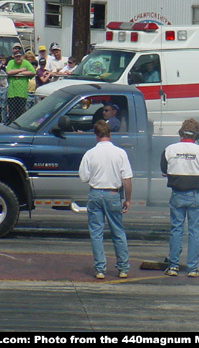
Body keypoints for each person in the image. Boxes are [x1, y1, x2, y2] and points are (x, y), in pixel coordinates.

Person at [78, 119, 133, 279]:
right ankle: (123, 268)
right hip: (113, 194)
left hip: (95, 193)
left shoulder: (90, 153)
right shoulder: (120, 153)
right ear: (110, 134)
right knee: (118, 231)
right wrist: (127, 199)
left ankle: (100, 269)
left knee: (96, 232)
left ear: (96, 135)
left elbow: (84, 177)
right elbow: (127, 180)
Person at [160, 118, 199, 278]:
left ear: (181, 133)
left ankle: (173, 266)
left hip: (177, 194)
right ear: (197, 135)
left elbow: (164, 172)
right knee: (195, 231)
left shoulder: (169, 150)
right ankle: (192, 268)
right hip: (196, 195)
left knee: (176, 230)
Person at [5, 49, 35, 121]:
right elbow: (9, 72)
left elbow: (33, 72)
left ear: (22, 57)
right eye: (16, 57)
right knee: (12, 113)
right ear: (14, 57)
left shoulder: (26, 62)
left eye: (19, 56)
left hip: (22, 93)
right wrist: (21, 70)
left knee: (20, 112)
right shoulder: (11, 62)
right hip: (12, 93)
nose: (18, 58)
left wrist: (18, 73)